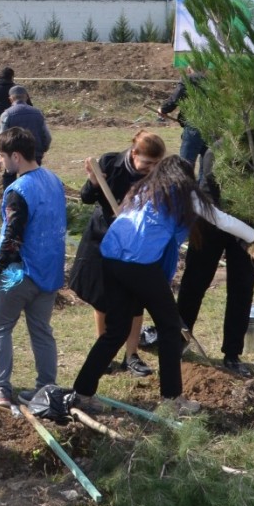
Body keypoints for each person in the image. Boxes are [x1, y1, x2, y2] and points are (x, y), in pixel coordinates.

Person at [70, 156, 254, 412]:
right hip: (140, 264)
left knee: (116, 331)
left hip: (111, 259)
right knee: (169, 328)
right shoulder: (182, 193)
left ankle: (82, 392)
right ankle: (172, 399)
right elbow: (222, 220)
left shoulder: (144, 189)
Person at [177, 129, 254, 375]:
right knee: (194, 283)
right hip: (211, 221)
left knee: (242, 288)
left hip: (249, 223)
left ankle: (232, 354)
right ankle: (177, 342)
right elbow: (220, 214)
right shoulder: (217, 153)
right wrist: (250, 244)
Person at [67, 130, 166, 379]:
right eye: (147, 162)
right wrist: (92, 181)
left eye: (156, 163)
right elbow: (87, 198)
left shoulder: (158, 176)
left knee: (135, 300)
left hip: (135, 243)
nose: (151, 168)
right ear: (134, 154)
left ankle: (131, 356)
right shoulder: (110, 163)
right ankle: (105, 353)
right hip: (103, 237)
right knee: (102, 298)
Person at [0, 128, 67, 409]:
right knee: (41, 329)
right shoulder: (54, 180)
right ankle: (46, 388)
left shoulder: (18, 190)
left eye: (2, 157)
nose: (0, 162)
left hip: (20, 273)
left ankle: (2, 391)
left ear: (16, 156)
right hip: (50, 270)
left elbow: (12, 238)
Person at [0, 86, 51, 189]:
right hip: (34, 153)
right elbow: (46, 136)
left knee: (9, 178)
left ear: (11, 99)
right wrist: (42, 149)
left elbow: (2, 138)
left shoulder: (7, 114)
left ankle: (11, 199)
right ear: (26, 97)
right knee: (32, 178)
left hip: (12, 155)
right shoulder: (37, 113)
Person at [159, 65, 208, 177]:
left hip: (193, 126)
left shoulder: (188, 79)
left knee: (186, 165)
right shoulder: (215, 80)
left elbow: (175, 99)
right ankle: (203, 192)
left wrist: (163, 109)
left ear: (190, 67)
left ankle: (185, 191)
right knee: (207, 166)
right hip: (212, 127)